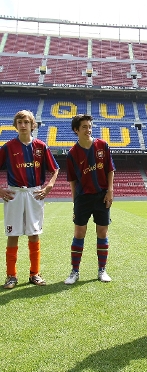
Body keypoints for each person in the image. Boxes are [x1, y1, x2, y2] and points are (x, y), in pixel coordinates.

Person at [0, 110, 59, 289]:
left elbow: (55, 169)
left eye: (26, 121)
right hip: (14, 193)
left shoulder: (41, 146)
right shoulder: (8, 147)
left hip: (34, 193)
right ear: (16, 125)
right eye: (19, 122)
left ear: (32, 124)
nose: (23, 124)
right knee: (13, 234)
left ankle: (35, 274)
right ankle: (11, 276)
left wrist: (49, 186)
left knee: (34, 233)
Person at [64, 114, 116, 285]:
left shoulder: (102, 145)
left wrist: (110, 190)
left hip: (101, 195)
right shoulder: (72, 153)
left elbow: (110, 169)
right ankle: (75, 271)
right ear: (76, 130)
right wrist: (74, 203)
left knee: (102, 232)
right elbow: (72, 181)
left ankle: (102, 270)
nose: (88, 129)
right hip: (83, 198)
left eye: (89, 126)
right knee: (79, 233)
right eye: (84, 127)